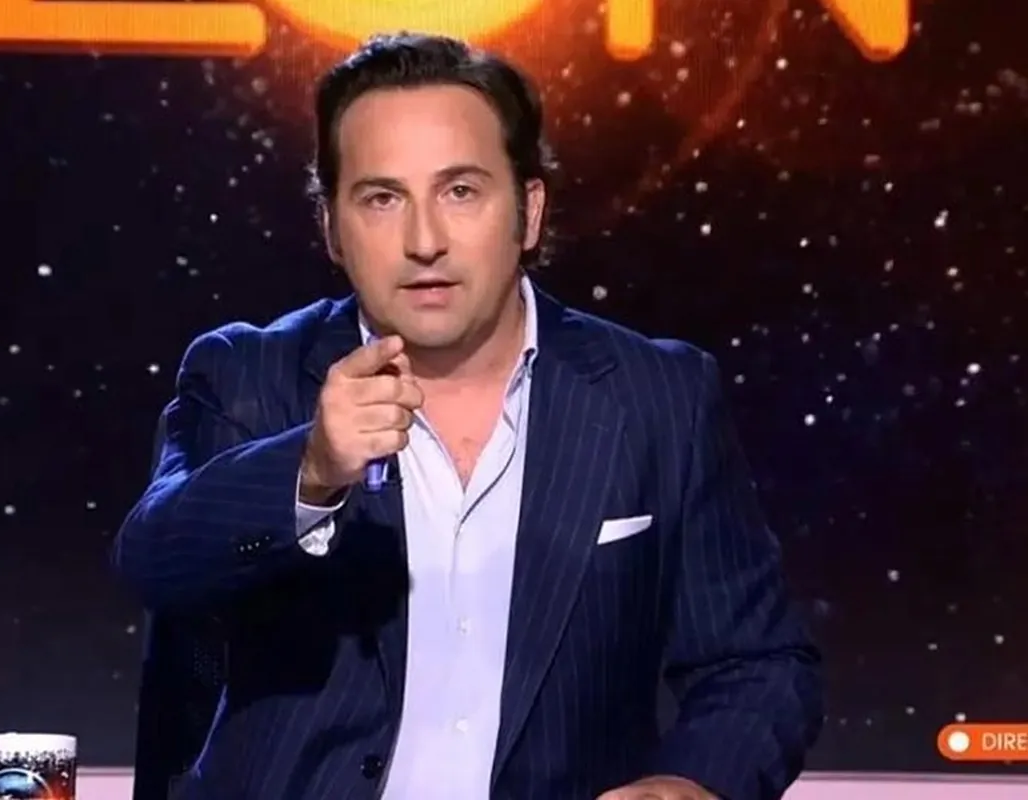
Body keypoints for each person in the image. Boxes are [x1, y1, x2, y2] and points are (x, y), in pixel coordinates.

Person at [114, 32, 823, 800]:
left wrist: (691, 783)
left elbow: (757, 664)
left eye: (460, 191)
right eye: (382, 199)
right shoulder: (249, 375)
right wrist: (310, 470)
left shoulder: (658, 396)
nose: (424, 242)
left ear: (528, 211)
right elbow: (157, 565)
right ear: (332, 229)